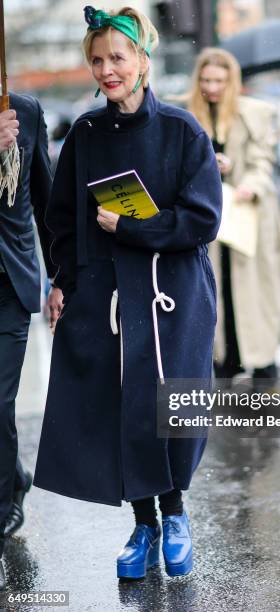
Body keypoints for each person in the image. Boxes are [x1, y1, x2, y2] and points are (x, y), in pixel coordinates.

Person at [33, 6, 222, 580]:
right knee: (120, 409)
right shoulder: (86, 134)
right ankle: (143, 524)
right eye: (97, 59)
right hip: (107, 296)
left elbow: (203, 218)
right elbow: (62, 219)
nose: (107, 69)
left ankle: (177, 513)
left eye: (117, 56)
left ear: (143, 58)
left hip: (174, 295)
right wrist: (61, 280)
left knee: (175, 407)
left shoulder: (183, 130)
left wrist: (134, 227)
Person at [187, 48, 280, 388]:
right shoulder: (186, 113)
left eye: (219, 80)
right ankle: (227, 358)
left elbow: (263, 161)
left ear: (232, 80)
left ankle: (262, 360)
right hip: (209, 216)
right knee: (215, 287)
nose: (212, 87)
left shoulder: (255, 113)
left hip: (249, 214)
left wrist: (241, 177)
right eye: (206, 80)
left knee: (255, 290)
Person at [0, 94, 63, 591]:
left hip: (10, 283)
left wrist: (58, 279)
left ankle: (4, 501)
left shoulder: (26, 111)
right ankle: (12, 475)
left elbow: (46, 202)